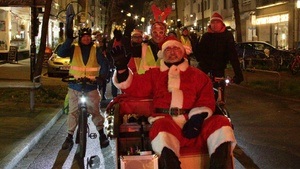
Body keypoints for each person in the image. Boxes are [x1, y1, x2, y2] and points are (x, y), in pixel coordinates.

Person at [111, 36, 236, 168]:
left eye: (176, 48)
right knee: (161, 128)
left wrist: (198, 118)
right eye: (168, 49)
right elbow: (135, 86)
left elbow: (206, 98)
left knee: (221, 123)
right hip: (167, 122)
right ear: (162, 54)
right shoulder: (155, 74)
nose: (172, 52)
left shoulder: (198, 75)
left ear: (183, 52)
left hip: (195, 124)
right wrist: (122, 70)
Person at [57, 27, 110, 150]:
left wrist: (102, 77)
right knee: (73, 112)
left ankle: (102, 135)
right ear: (80, 38)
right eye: (83, 36)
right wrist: (69, 39)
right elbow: (60, 53)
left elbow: (104, 64)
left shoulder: (96, 49)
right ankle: (69, 137)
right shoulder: (73, 48)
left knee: (95, 111)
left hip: (91, 86)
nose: (86, 38)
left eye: (88, 36)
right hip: (75, 86)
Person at [195, 12, 244, 84]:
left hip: (219, 69)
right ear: (210, 24)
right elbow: (199, 55)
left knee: (219, 88)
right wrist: (195, 46)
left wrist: (238, 75)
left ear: (221, 24)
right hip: (204, 67)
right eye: (213, 23)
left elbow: (233, 55)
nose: (215, 25)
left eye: (217, 22)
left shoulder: (227, 36)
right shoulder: (206, 36)